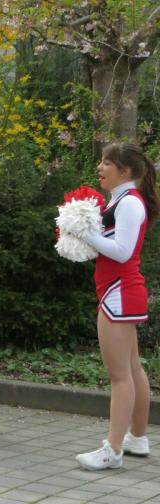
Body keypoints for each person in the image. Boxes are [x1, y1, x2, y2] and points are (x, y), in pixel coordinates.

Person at [76, 142, 158, 470]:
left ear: (124, 171)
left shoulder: (130, 203)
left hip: (119, 293)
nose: (100, 168)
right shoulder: (121, 200)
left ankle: (112, 449)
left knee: (120, 375)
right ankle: (137, 437)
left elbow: (122, 251)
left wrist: (84, 234)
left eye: (106, 163)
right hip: (119, 291)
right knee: (133, 369)